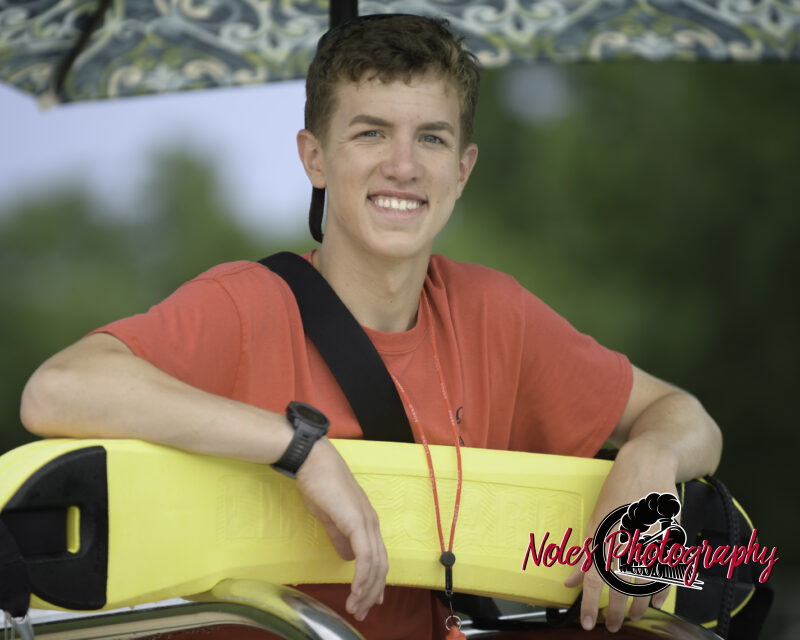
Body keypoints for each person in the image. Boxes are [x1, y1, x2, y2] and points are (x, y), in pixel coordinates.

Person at [19, 14, 722, 640]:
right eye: (370, 132)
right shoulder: (246, 306)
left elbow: (686, 416)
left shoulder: (493, 313)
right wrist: (300, 450)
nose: (403, 166)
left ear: (463, 169)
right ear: (315, 157)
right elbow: (58, 389)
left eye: (431, 138)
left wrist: (648, 461)